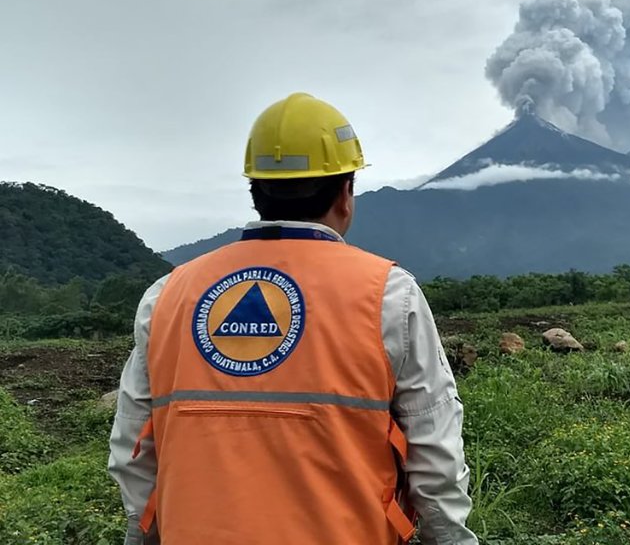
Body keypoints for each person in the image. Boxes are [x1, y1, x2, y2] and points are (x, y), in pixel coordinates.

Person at [107, 92, 478, 544]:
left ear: (255, 191)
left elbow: (134, 450)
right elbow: (433, 448)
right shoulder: (387, 295)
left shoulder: (168, 295)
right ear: (345, 193)